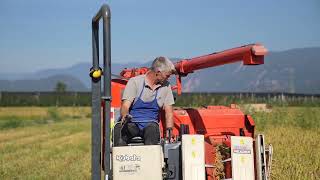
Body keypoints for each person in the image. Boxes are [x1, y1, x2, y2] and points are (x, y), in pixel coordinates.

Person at [113, 56, 176, 146]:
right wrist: (125, 115)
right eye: (167, 76)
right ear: (158, 73)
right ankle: (121, 158)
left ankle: (150, 158)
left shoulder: (166, 86)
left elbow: (169, 112)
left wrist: (170, 131)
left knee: (153, 131)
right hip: (133, 123)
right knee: (119, 131)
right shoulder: (135, 82)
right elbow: (125, 106)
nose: (168, 78)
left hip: (150, 125)